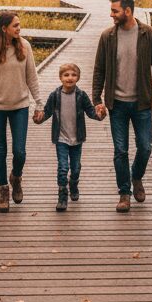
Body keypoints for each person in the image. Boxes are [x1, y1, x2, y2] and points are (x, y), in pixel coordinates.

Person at [91, 0, 152, 213]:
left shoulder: (149, 35)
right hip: (117, 104)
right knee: (120, 150)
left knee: (145, 147)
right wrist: (97, 99)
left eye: (115, 10)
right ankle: (124, 193)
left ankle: (136, 177)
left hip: (142, 102)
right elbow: (99, 70)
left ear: (128, 11)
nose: (111, 14)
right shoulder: (107, 37)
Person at [0, 11, 43, 212]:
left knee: (19, 151)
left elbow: (32, 77)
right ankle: (3, 192)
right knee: (0, 150)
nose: (19, 29)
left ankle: (16, 177)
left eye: (19, 25)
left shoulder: (25, 47)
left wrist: (39, 104)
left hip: (20, 106)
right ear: (4, 28)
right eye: (15, 26)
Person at [34, 61, 99, 211]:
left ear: (78, 77)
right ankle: (62, 195)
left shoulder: (81, 95)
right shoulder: (55, 95)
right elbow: (47, 112)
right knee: (63, 167)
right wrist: (38, 119)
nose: (70, 78)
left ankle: (74, 183)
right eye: (66, 75)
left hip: (77, 138)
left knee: (75, 168)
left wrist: (99, 115)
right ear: (60, 78)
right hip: (61, 138)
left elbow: (90, 112)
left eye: (73, 75)